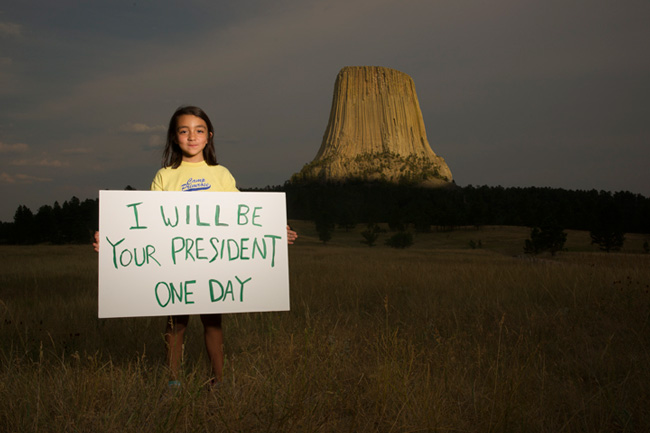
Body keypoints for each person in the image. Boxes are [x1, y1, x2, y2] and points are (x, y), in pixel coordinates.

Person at [94, 105, 297, 388]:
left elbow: (243, 216)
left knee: (213, 323)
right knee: (176, 324)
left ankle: (218, 382)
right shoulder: (164, 176)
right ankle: (173, 383)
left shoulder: (221, 175)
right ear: (174, 137)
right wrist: (113, 239)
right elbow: (148, 222)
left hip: (211, 266)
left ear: (209, 136)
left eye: (199, 130)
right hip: (176, 267)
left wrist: (275, 230)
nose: (192, 136)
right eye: (184, 130)